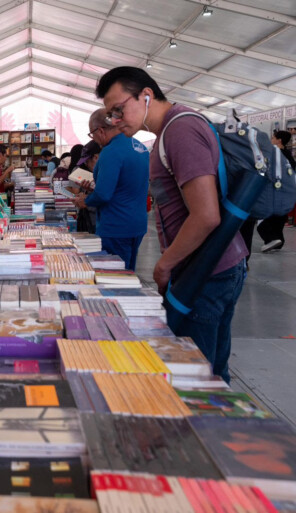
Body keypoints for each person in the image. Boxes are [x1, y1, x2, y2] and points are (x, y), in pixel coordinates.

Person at [96, 66, 246, 384]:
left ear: (146, 95)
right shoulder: (170, 130)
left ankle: (209, 430)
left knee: (198, 377)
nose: (115, 120)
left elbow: (206, 215)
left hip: (208, 269)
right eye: (110, 115)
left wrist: (165, 265)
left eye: (118, 109)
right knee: (210, 370)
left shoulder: (180, 130)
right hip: (208, 265)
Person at [73, 108, 150, 270]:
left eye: (91, 135)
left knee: (114, 277)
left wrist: (85, 201)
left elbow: (104, 194)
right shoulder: (140, 147)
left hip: (116, 225)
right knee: (128, 273)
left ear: (100, 130)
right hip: (138, 222)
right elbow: (125, 186)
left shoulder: (110, 151)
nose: (93, 139)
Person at [255, 130, 296, 253]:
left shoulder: (274, 154)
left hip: (272, 191)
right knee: (279, 218)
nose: (271, 139)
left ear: (279, 140)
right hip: (286, 192)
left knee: (261, 219)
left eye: (273, 137)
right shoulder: (288, 155)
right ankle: (279, 241)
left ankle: (271, 239)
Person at [72, 140, 101, 235]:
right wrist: (89, 190)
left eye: (87, 161)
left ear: (96, 157)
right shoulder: (98, 173)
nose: (86, 165)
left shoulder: (106, 173)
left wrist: (86, 200)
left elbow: (105, 196)